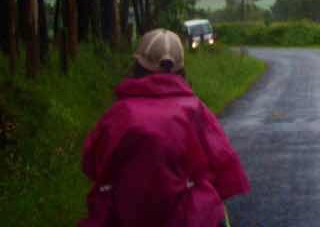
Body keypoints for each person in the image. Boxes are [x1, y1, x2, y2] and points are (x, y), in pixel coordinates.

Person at [80, 29, 250, 226]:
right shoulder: (194, 109)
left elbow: (91, 163)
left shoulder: (120, 113)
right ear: (180, 70)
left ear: (138, 66)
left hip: (125, 217)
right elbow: (223, 165)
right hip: (189, 217)